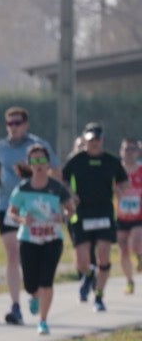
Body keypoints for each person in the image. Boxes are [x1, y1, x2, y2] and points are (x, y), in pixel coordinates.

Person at [0, 107, 50, 324]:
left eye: (17, 123)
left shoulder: (37, 146)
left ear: (26, 124)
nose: (13, 127)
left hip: (32, 206)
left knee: (28, 254)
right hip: (7, 205)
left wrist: (29, 172)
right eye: (9, 123)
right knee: (12, 253)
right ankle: (15, 306)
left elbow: (52, 171)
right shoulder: (1, 146)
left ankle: (33, 292)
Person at [6, 144, 75, 335]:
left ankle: (43, 321)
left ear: (48, 163)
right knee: (30, 284)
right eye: (34, 161)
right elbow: (11, 212)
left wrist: (63, 217)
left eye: (42, 160)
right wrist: (22, 219)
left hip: (52, 239)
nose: (39, 165)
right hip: (28, 240)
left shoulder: (56, 187)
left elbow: (71, 209)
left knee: (47, 281)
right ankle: (34, 296)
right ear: (29, 164)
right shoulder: (23, 188)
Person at [61, 123, 129, 313]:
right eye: (91, 141)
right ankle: (89, 275)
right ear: (85, 140)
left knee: (103, 256)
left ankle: (99, 297)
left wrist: (120, 190)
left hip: (104, 213)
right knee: (82, 261)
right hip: (82, 213)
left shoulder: (111, 161)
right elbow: (62, 180)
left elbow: (124, 181)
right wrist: (69, 194)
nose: (94, 144)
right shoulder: (76, 160)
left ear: (102, 140)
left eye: (97, 140)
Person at [117, 137, 142, 296]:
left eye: (132, 149)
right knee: (123, 250)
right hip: (121, 216)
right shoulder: (116, 170)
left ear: (138, 152)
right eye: (126, 149)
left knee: (134, 244)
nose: (129, 153)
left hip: (139, 216)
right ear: (121, 151)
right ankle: (129, 281)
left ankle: (140, 255)